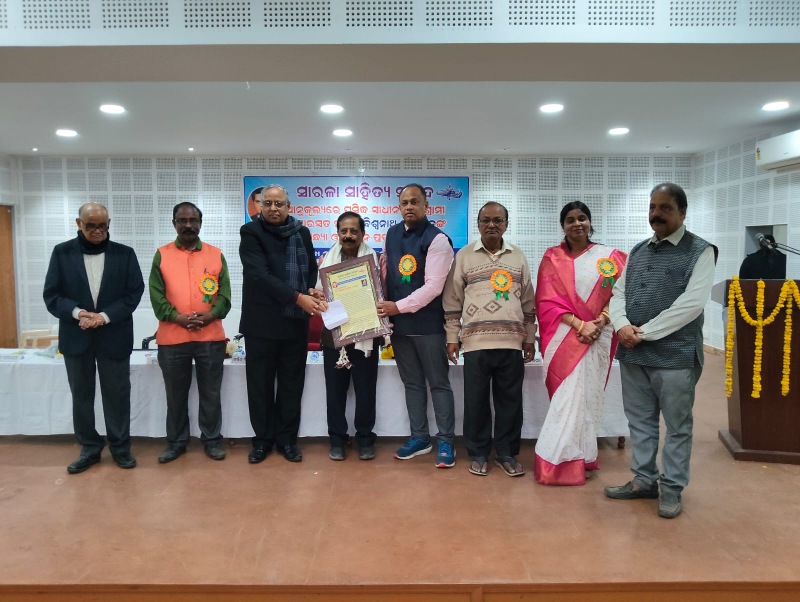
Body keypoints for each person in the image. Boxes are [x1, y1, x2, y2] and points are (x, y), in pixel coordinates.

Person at [605, 183, 716, 519]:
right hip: (633, 352)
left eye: (665, 208)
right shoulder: (638, 250)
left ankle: (671, 487)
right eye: (653, 207)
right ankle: (644, 480)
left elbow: (692, 304)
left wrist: (644, 333)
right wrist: (621, 325)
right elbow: (618, 294)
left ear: (682, 212)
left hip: (675, 355)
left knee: (677, 425)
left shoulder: (700, 251)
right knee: (639, 422)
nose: (656, 214)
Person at [43, 202, 144, 474]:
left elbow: (134, 293)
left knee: (117, 395)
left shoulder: (125, 254)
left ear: (109, 224)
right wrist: (78, 313)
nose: (98, 231)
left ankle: (120, 448)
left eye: (103, 226)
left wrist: (104, 317)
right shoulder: (61, 253)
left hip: (114, 335)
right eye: (91, 226)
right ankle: (89, 448)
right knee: (81, 397)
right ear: (79, 224)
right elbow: (52, 295)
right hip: (76, 336)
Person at [533, 201, 627, 486]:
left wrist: (602, 321)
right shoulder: (552, 258)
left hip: (599, 335)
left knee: (587, 399)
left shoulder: (610, 257)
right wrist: (580, 325)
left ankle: (583, 456)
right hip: (565, 336)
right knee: (567, 399)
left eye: (582, 218)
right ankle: (557, 461)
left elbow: (621, 295)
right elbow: (546, 302)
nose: (577, 224)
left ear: (590, 222)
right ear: (563, 226)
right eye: (570, 220)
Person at [443, 202, 536, 477]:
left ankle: (506, 453)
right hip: (475, 344)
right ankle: (479, 452)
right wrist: (452, 337)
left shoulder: (518, 257)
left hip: (511, 342)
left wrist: (529, 338)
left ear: (506, 224)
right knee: (476, 403)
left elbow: (528, 302)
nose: (491, 225)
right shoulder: (464, 256)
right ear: (478, 224)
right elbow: (452, 300)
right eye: (486, 220)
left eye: (498, 220)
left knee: (510, 403)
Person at [239, 184, 324, 464]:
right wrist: (298, 297)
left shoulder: (302, 233)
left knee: (291, 385)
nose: (273, 209)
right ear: (260, 206)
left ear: (289, 206)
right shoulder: (250, 232)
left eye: (279, 204)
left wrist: (309, 289)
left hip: (294, 324)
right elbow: (259, 276)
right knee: (260, 387)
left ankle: (287, 440)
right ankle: (262, 441)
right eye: (268, 204)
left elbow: (310, 268)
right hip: (261, 324)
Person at [377, 183, 456, 468]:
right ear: (399, 207)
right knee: (412, 384)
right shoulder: (391, 234)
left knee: (438, 384)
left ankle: (446, 440)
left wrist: (396, 307)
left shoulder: (438, 240)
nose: (409, 207)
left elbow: (434, 287)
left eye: (414, 202)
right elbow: (385, 274)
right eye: (404, 203)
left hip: (429, 327)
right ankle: (420, 437)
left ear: (426, 206)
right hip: (400, 328)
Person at [150, 202, 231, 463]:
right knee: (175, 396)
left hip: (210, 337)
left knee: (211, 394)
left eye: (193, 220)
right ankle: (176, 442)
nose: (188, 225)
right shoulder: (161, 255)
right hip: (172, 339)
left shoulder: (216, 255)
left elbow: (225, 296)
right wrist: (177, 318)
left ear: (200, 223)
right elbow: (156, 296)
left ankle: (212, 440)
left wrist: (210, 315)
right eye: (182, 220)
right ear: (174, 223)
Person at [315, 211, 381, 461]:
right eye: (344, 231)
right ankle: (337, 439)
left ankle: (365, 438)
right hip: (335, 336)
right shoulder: (326, 261)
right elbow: (318, 294)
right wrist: (316, 294)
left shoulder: (375, 260)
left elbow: (382, 293)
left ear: (363, 234)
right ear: (338, 234)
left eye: (354, 231)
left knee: (366, 391)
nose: (349, 235)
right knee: (335, 391)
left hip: (366, 335)